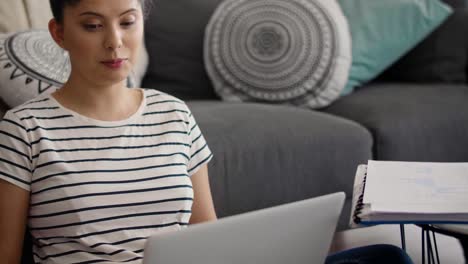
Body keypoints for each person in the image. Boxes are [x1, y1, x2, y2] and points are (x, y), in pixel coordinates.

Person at [0, 0, 413, 263]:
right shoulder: (25, 128)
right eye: (92, 26)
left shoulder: (173, 114)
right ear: (59, 33)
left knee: (383, 258)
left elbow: (208, 234)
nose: (115, 42)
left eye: (127, 22)